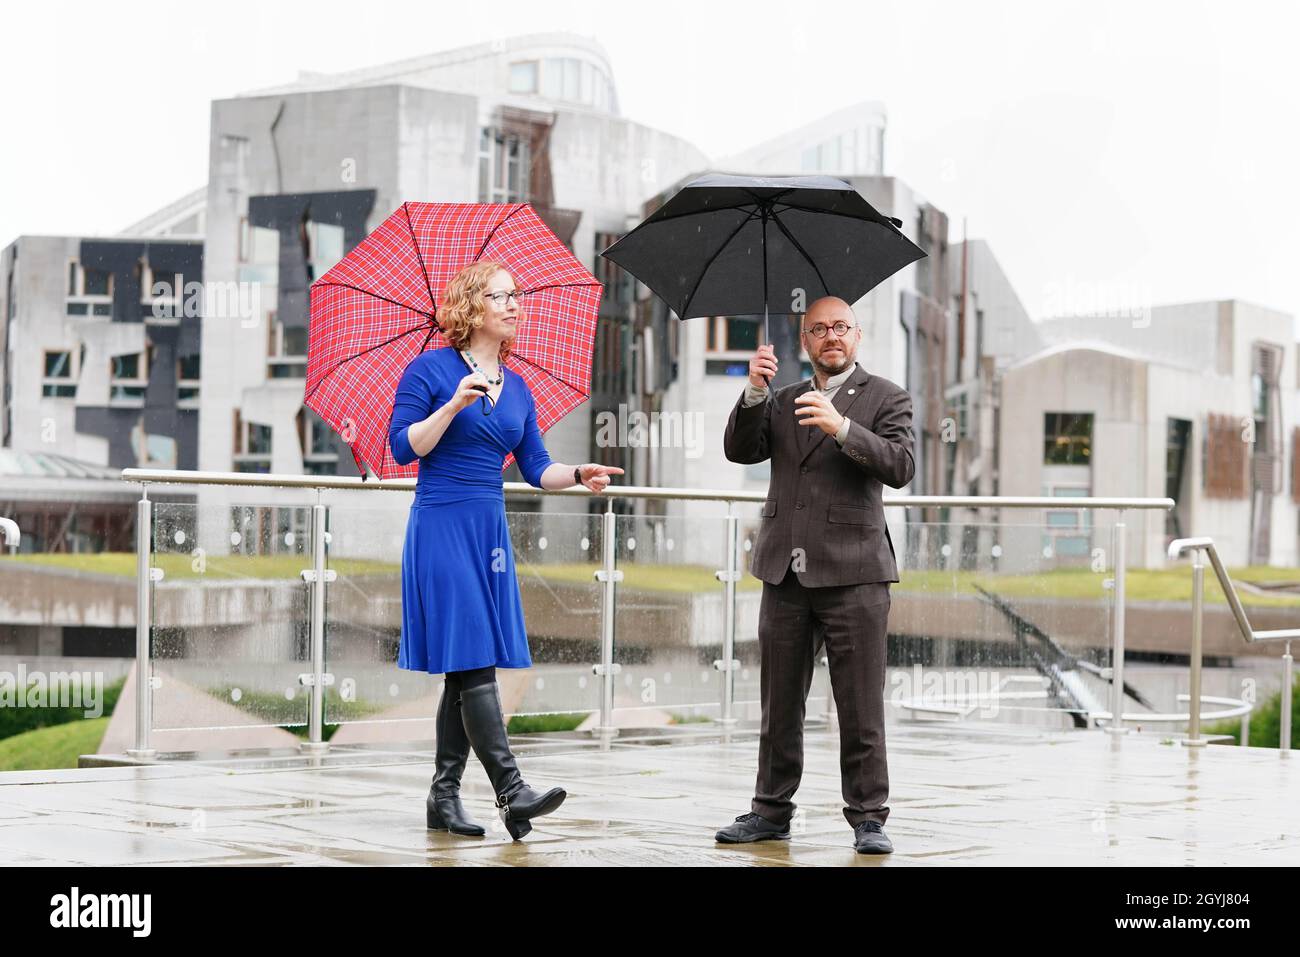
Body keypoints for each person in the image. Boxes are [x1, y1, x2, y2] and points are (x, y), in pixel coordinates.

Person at [387, 260, 624, 840]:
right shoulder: (430, 371)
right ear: (472, 307)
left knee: (465, 665)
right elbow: (401, 449)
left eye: (517, 296)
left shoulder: (518, 387)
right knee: (472, 657)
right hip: (441, 524)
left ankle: (443, 798)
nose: (516, 305)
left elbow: (537, 467)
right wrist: (452, 406)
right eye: (503, 296)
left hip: (488, 530)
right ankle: (512, 791)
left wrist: (578, 473)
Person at [716, 296, 914, 854]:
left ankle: (869, 818)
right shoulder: (781, 399)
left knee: (860, 704)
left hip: (856, 575)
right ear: (805, 341)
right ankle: (770, 811)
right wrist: (754, 390)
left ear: (858, 335)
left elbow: (900, 466)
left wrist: (844, 428)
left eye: (841, 327)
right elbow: (739, 451)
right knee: (779, 704)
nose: (832, 336)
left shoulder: (886, 398)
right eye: (819, 329)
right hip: (785, 573)